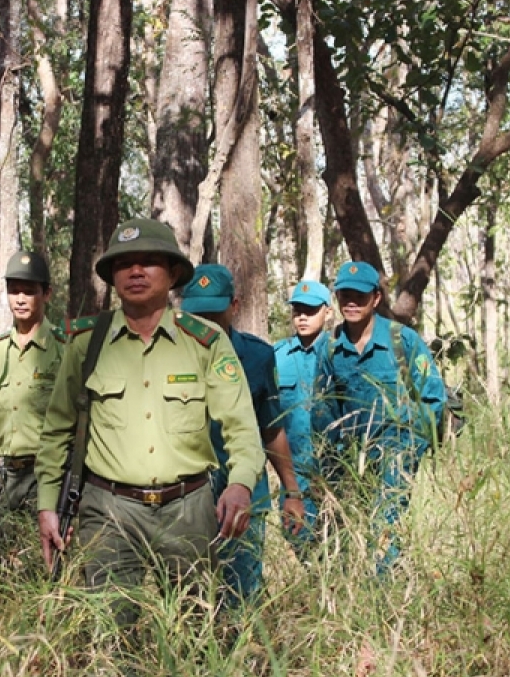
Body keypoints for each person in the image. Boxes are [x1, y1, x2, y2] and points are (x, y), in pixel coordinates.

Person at [35, 218, 264, 626]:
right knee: (112, 634)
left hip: (188, 510)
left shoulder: (206, 342)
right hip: (108, 510)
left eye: (149, 262)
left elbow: (242, 427)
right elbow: (57, 430)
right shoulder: (87, 344)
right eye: (125, 264)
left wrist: (241, 483)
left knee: (193, 630)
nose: (136, 272)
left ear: (173, 273)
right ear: (112, 276)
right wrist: (47, 505)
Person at [179, 264, 307, 605]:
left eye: (213, 313)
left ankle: (242, 657)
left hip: (245, 496)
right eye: (197, 314)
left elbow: (271, 427)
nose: (204, 323)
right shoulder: (168, 354)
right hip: (187, 499)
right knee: (189, 600)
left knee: (240, 596)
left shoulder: (257, 355)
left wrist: (291, 491)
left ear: (234, 306)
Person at [312, 261, 446, 572]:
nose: (352, 303)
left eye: (360, 296)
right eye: (345, 295)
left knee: (387, 519)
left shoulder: (403, 340)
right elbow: (322, 408)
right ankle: (353, 590)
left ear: (375, 299)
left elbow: (433, 397)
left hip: (397, 450)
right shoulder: (330, 347)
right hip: (350, 458)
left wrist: (412, 445)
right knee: (347, 527)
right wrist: (331, 458)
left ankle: (386, 592)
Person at [0, 250, 63, 568]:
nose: (20, 299)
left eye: (29, 290)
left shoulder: (63, 347)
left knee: (44, 567)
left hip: (47, 476)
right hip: (8, 476)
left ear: (46, 294)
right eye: (13, 290)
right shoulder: (1, 348)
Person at [272, 279, 332, 556]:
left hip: (335, 470)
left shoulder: (340, 352)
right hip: (294, 473)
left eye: (310, 310)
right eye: (297, 311)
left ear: (328, 312)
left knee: (340, 544)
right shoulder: (276, 356)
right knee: (298, 538)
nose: (303, 317)